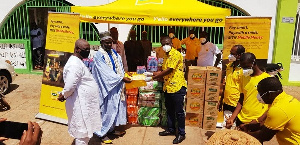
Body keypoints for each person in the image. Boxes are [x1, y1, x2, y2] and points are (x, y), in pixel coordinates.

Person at [57, 39, 102, 145]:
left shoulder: (78, 61)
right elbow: (70, 85)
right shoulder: (74, 65)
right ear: (77, 49)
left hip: (83, 102)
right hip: (79, 103)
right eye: (86, 49)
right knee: (81, 133)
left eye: (89, 49)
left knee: (85, 132)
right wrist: (63, 94)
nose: (88, 51)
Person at [145, 36, 187, 144]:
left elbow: (169, 70)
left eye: (167, 43)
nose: (165, 46)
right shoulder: (166, 55)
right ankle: (171, 129)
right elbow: (163, 70)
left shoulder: (176, 54)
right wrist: (152, 73)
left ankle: (181, 134)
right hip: (168, 87)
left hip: (177, 87)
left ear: (172, 44)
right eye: (163, 44)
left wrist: (152, 77)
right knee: (169, 110)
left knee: (179, 112)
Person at [92, 31, 132, 144]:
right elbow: (105, 73)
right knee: (106, 110)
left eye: (110, 42)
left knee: (116, 108)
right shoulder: (98, 56)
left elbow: (119, 65)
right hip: (106, 88)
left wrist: (124, 76)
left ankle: (111, 129)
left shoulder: (114, 53)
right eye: (107, 43)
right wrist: (121, 79)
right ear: (101, 42)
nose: (109, 45)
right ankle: (102, 133)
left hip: (116, 86)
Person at [245, 77, 300, 144]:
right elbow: (268, 124)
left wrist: (242, 134)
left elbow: (264, 136)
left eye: (260, 93)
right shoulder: (287, 99)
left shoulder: (278, 109)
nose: (258, 96)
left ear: (269, 94)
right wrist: (248, 126)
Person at [226, 52, 270, 128]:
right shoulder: (244, 77)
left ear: (254, 63)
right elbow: (241, 99)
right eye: (243, 67)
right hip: (242, 119)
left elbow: (273, 105)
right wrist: (232, 117)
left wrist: (259, 120)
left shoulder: (267, 79)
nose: (245, 70)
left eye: (247, 67)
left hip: (256, 121)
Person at [218, 45, 245, 112]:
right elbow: (226, 84)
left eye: (232, 54)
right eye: (230, 53)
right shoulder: (229, 66)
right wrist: (221, 100)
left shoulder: (244, 70)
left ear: (239, 55)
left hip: (236, 104)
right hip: (226, 102)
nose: (230, 55)